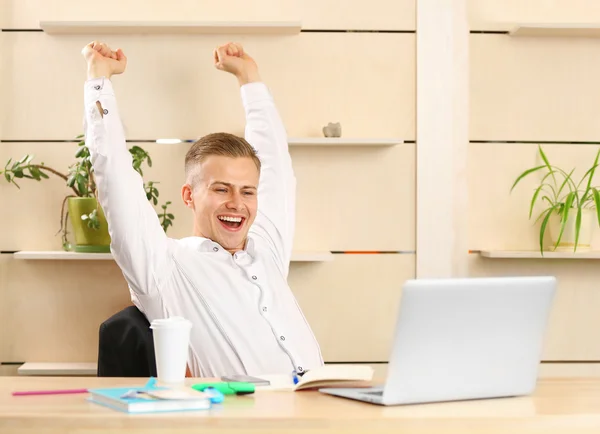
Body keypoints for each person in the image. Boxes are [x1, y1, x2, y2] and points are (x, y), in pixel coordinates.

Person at [81, 40, 323, 377]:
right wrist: (98, 80)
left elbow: (277, 165)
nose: (237, 204)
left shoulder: (267, 249)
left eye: (247, 191)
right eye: (221, 189)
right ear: (189, 195)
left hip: (324, 408)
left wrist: (249, 78)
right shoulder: (163, 268)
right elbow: (114, 176)